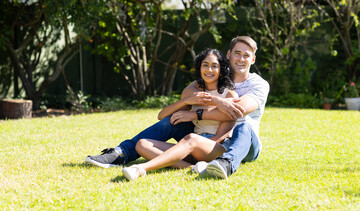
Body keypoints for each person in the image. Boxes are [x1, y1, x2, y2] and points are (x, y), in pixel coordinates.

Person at [85, 36, 269, 180]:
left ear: (253, 59)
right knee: (169, 122)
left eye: (246, 55)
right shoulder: (215, 74)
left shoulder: (257, 84)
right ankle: (121, 153)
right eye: (237, 53)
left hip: (239, 141)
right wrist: (188, 101)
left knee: (242, 127)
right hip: (203, 138)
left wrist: (196, 113)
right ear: (228, 55)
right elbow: (187, 94)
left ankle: (226, 163)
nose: (241, 58)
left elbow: (236, 111)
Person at [121, 48, 237, 180]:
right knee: (142, 144)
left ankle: (141, 168)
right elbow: (162, 115)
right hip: (192, 145)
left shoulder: (229, 95)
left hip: (217, 148)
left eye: (214, 66)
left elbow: (220, 137)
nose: (209, 70)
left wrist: (192, 146)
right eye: (205, 65)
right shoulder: (194, 92)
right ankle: (192, 168)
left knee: (191, 138)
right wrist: (186, 101)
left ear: (221, 70)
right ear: (199, 68)